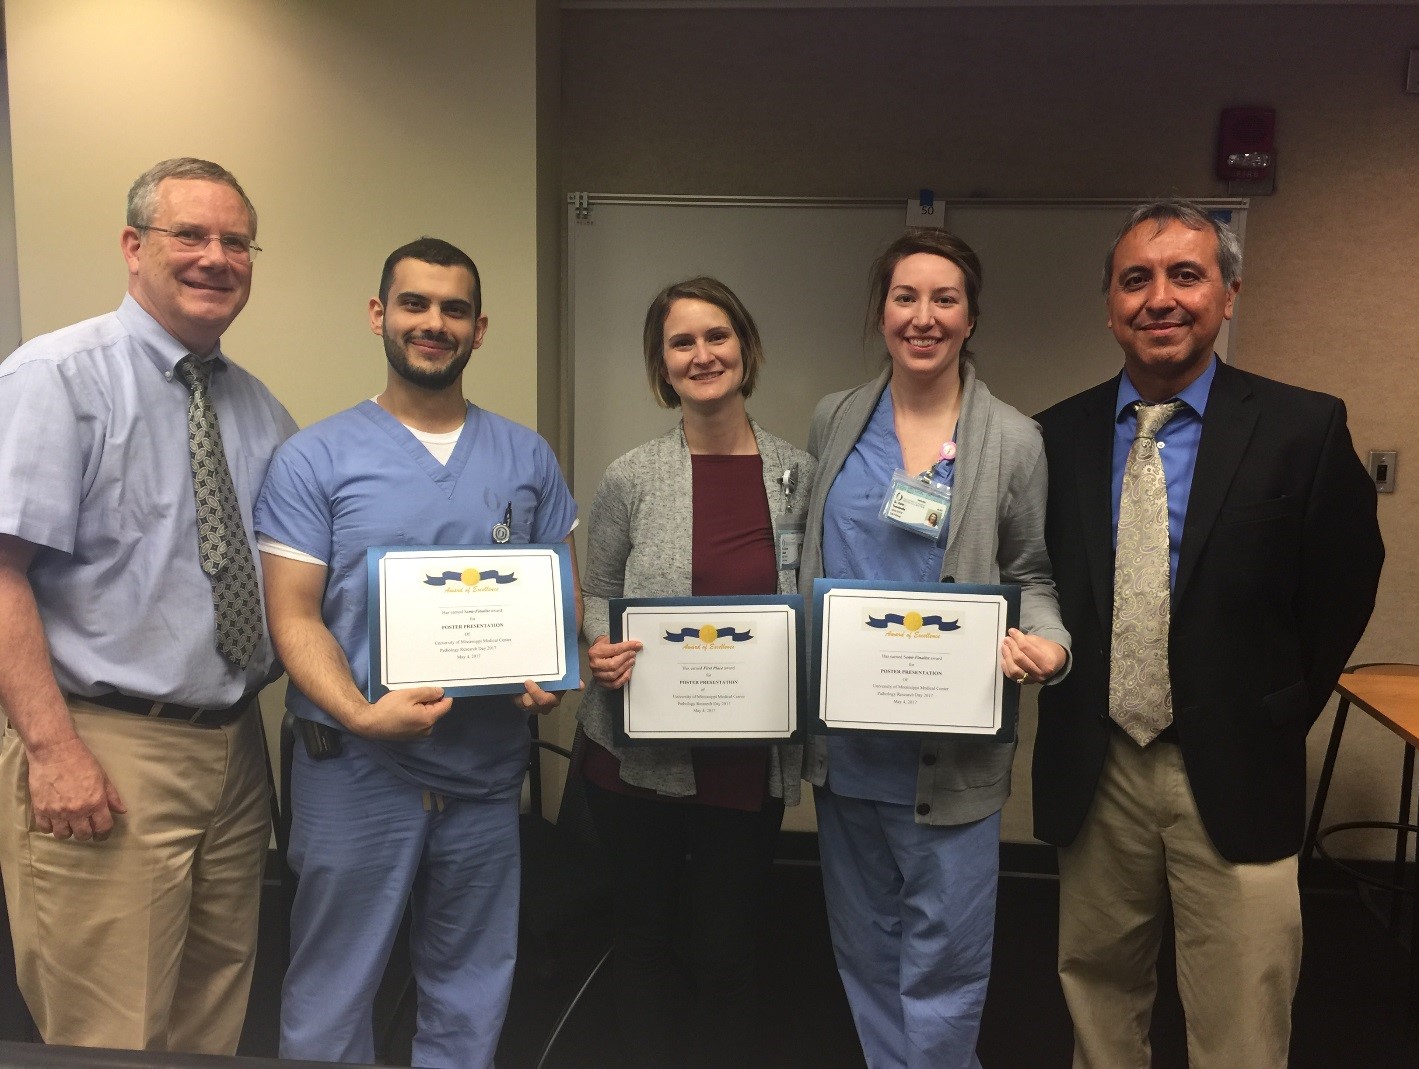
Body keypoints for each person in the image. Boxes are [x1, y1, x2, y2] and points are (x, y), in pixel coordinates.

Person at [1033, 199, 1384, 1069]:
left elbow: (1343, 584)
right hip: (1098, 760)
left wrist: (1276, 704)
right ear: (1108, 302)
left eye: (1185, 275)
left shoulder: (1303, 427)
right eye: (1136, 279)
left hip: (1236, 760)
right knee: (1098, 991)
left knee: (1243, 1009)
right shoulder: (1055, 435)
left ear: (1228, 293)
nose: (1161, 297)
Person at [255, 237, 579, 1069]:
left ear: (480, 329)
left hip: (482, 776)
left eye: (455, 309)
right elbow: (293, 617)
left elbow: (557, 602)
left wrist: (548, 679)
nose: (434, 323)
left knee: (472, 988)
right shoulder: (315, 458)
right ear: (380, 315)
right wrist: (364, 713)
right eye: (415, 304)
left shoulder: (525, 456)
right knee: (333, 989)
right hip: (355, 771)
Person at [0, 158, 294, 1053]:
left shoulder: (259, 410)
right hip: (106, 746)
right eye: (190, 235)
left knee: (211, 1022)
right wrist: (52, 750)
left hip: (233, 751)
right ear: (134, 248)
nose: (216, 256)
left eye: (235, 240)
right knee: (109, 1037)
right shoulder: (56, 377)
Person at [799, 229, 1070, 1069]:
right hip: (848, 751)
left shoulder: (1014, 440)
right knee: (868, 952)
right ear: (882, 312)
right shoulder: (837, 417)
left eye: (943, 298)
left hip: (948, 759)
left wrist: (1049, 648)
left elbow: (1033, 574)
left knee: (946, 966)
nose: (923, 316)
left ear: (970, 316)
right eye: (905, 297)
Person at [578, 276, 813, 1068]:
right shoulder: (631, 476)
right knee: (641, 938)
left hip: (745, 767)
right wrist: (598, 645)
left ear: (745, 348)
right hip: (634, 760)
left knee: (727, 951)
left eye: (718, 336)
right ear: (662, 364)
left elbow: (816, 602)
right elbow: (599, 593)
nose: (702, 354)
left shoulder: (798, 475)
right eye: (683, 341)